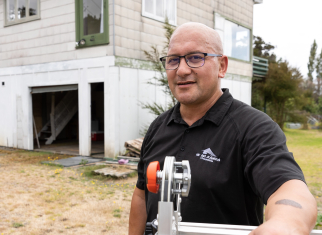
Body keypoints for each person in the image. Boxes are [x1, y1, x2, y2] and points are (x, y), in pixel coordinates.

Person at [128, 22, 317, 235]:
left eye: (196, 57)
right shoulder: (158, 127)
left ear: (222, 66)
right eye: (173, 60)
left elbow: (288, 188)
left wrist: (286, 225)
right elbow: (142, 194)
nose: (181, 70)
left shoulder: (254, 128)